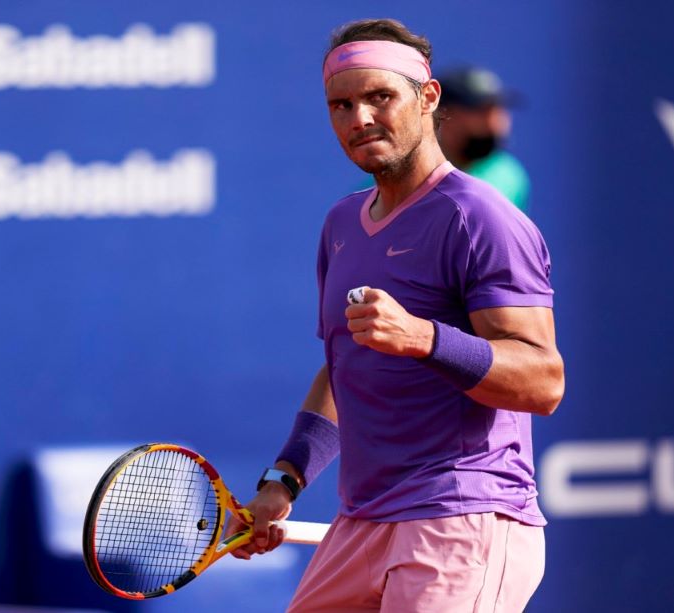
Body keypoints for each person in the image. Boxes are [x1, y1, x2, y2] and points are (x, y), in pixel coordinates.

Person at [228, 18, 564, 612]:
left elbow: (542, 381)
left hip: (462, 517)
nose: (359, 118)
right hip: (361, 522)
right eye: (342, 104)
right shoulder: (340, 225)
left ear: (427, 98)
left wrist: (422, 337)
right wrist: (284, 480)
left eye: (379, 97)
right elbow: (344, 367)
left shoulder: (481, 219)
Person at [436, 65, 531, 211]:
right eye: (481, 112)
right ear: (444, 114)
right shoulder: (409, 173)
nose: (494, 123)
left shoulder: (507, 175)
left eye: (498, 111)